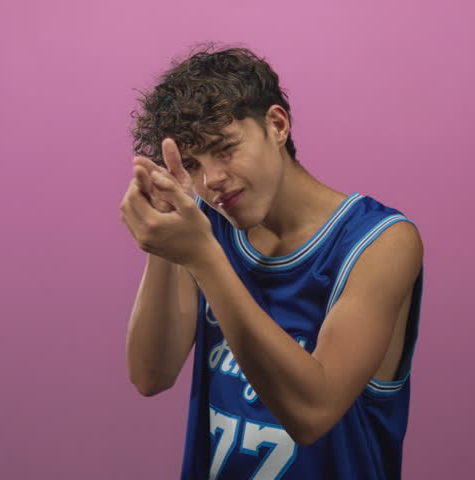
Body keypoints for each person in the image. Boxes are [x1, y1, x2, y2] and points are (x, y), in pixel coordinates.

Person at [120, 43, 425, 480]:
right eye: (192, 164)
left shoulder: (380, 242)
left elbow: (312, 413)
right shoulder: (202, 227)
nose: (211, 179)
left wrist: (202, 257)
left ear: (277, 125)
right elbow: (151, 374)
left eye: (225, 148)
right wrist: (165, 244)